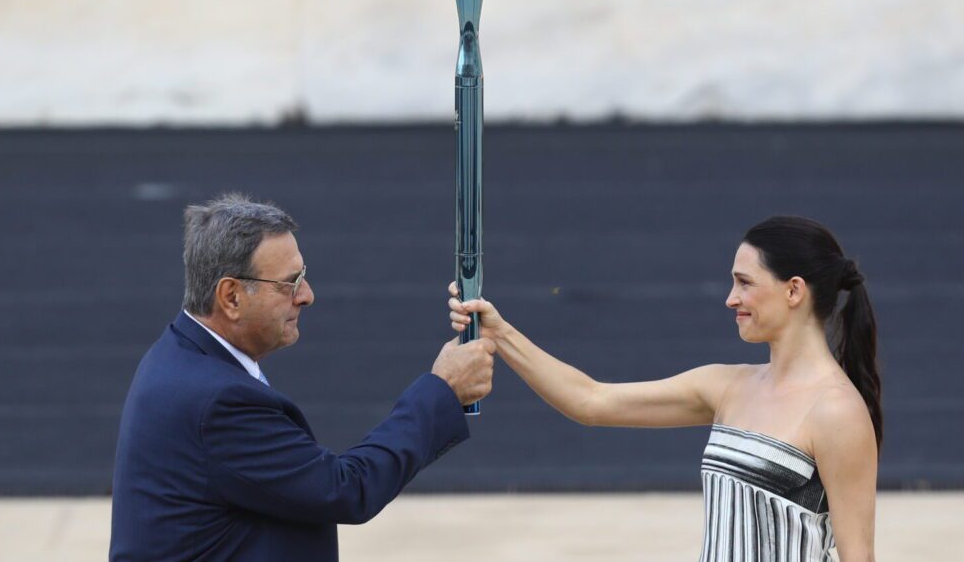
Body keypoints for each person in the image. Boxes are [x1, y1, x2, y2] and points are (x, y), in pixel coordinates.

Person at [448, 215, 880, 562]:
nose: (731, 298)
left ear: (794, 291)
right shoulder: (726, 386)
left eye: (745, 282)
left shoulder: (837, 412)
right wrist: (499, 332)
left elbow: (858, 556)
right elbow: (590, 400)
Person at [110, 193, 495, 562]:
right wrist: (443, 389)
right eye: (289, 283)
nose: (307, 295)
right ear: (231, 297)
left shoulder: (179, 353)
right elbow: (347, 489)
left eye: (303, 277)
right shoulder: (218, 402)